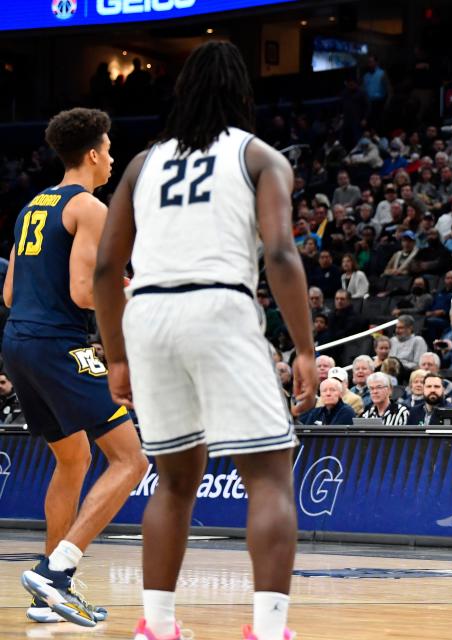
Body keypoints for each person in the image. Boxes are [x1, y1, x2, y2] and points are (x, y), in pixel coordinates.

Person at [92, 42, 317, 640]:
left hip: (150, 312)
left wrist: (116, 354)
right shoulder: (259, 156)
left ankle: (157, 627)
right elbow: (278, 252)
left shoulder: (141, 164)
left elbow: (106, 267)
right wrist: (303, 348)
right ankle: (269, 631)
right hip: (218, 303)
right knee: (269, 477)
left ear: (182, 91)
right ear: (242, 94)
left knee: (173, 481)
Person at [3, 107, 146, 627]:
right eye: (108, 150)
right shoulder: (89, 207)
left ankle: (46, 597)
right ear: (92, 154)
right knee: (131, 461)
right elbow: (85, 292)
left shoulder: (29, 208)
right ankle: (57, 573)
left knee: (74, 459)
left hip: (18, 343)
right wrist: (132, 296)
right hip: (59, 345)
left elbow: (10, 291)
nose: (112, 159)